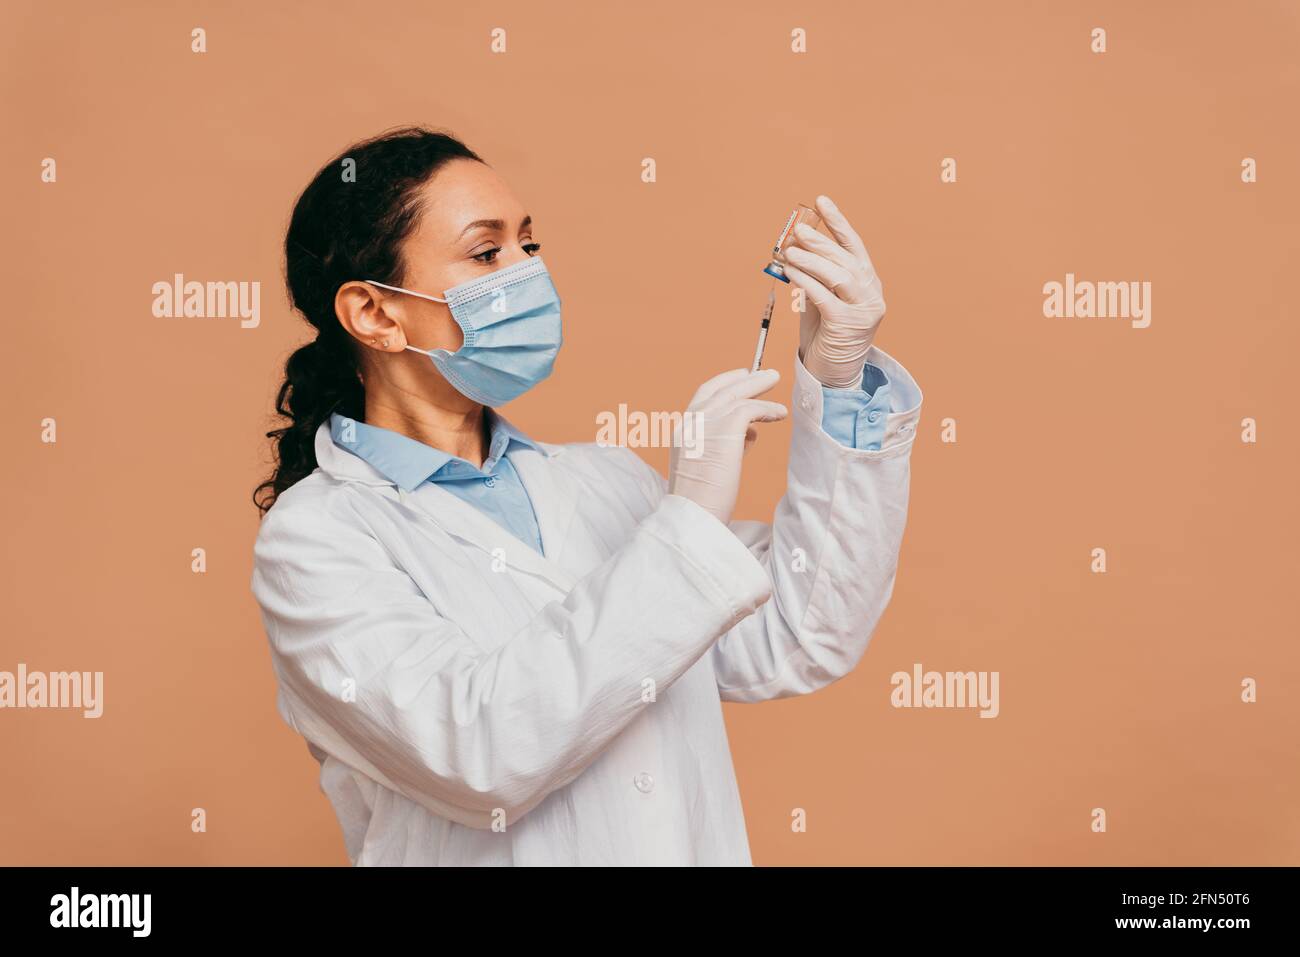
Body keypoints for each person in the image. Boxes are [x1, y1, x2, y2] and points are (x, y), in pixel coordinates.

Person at [250, 126, 922, 866]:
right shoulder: (316, 540)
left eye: (528, 246)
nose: (527, 274)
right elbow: (480, 756)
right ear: (375, 314)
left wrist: (841, 379)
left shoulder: (608, 480)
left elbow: (804, 631)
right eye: (487, 253)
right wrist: (691, 515)